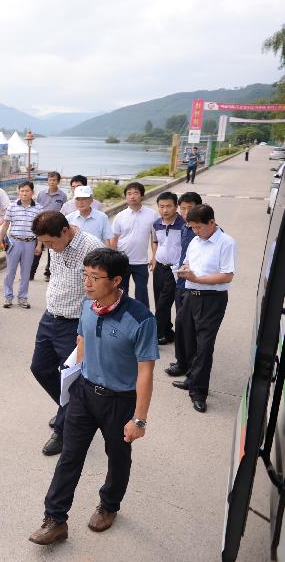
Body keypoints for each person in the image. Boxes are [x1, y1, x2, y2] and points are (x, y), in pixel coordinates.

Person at [29, 248, 157, 546]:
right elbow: (82, 339)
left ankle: (109, 505)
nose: (87, 283)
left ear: (116, 281)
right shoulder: (88, 305)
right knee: (70, 456)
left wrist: (139, 419)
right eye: (85, 275)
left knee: (118, 457)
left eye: (95, 277)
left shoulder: (140, 319)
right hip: (84, 394)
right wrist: (75, 378)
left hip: (119, 400)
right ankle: (55, 519)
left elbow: (145, 373)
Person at [30, 211, 105, 457]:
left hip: (76, 324)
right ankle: (70, 409)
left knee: (71, 379)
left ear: (65, 231)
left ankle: (63, 431)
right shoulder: (55, 245)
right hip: (51, 316)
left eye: (50, 243)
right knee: (39, 368)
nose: (49, 248)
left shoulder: (91, 247)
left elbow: (104, 290)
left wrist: (90, 328)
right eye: (44, 243)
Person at [171, 204, 236, 413]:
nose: (195, 232)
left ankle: (199, 392)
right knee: (186, 338)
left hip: (212, 298)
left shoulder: (226, 242)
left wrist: (198, 278)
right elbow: (189, 264)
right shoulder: (195, 242)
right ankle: (191, 377)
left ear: (211, 222)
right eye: (192, 228)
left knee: (204, 346)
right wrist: (185, 271)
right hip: (190, 295)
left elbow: (227, 275)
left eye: (199, 227)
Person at [165, 191, 203, 378]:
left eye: (190, 208)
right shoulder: (183, 228)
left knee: (192, 327)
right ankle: (182, 362)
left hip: (196, 285)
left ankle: (191, 366)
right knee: (180, 324)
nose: (186, 212)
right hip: (181, 281)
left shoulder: (204, 229)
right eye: (183, 208)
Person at [110, 182, 158, 308]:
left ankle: (143, 320)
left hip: (141, 262)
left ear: (141, 195)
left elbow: (155, 238)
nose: (132, 196)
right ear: (126, 197)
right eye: (129, 194)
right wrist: (112, 259)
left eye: (136, 193)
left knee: (142, 293)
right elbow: (114, 238)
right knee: (121, 292)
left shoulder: (152, 214)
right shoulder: (120, 216)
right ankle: (122, 318)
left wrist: (154, 257)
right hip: (122, 261)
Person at [0, 181, 43, 309]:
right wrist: (1, 240)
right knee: (10, 272)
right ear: (19, 192)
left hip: (30, 243)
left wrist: (39, 245)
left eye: (27, 191)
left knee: (26, 272)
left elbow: (40, 229)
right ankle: (8, 297)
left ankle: (23, 298)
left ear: (32, 193)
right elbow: (6, 224)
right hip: (14, 242)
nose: (24, 193)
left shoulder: (39, 208)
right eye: (22, 190)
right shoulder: (12, 206)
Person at [149, 191, 184, 345]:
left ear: (176, 206)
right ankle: (168, 332)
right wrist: (154, 258)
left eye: (169, 206)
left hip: (174, 269)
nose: (165, 210)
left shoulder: (184, 224)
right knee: (158, 301)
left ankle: (155, 335)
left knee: (164, 303)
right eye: (161, 206)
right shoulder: (156, 223)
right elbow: (156, 241)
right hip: (159, 267)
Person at [31, 171, 68, 281]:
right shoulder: (41, 194)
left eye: (54, 180)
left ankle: (48, 273)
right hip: (41, 225)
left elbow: (64, 211)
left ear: (58, 182)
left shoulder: (62, 196)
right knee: (37, 249)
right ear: (47, 181)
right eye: (50, 180)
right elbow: (36, 209)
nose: (52, 182)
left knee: (51, 250)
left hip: (55, 226)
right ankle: (31, 272)